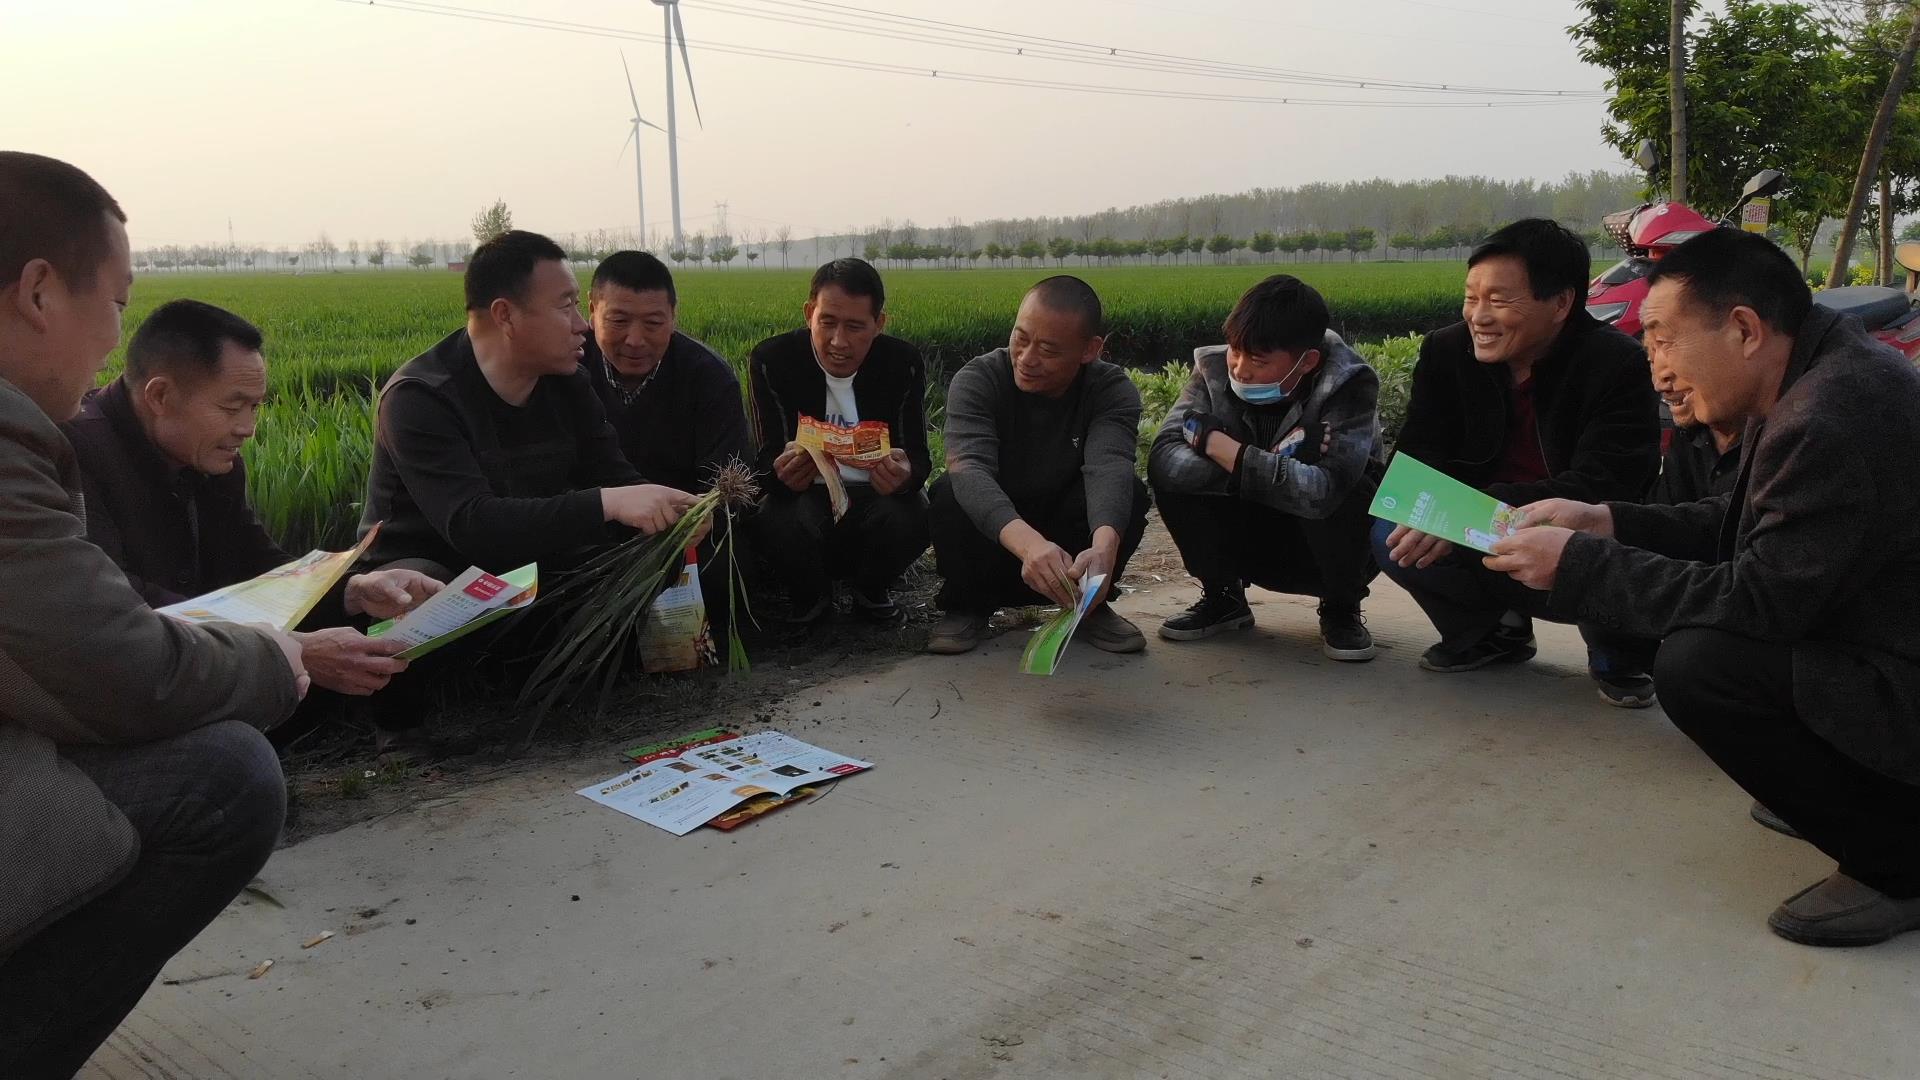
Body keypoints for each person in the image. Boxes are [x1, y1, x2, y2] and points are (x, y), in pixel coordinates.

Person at [1487, 229, 1920, 947]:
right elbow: (1745, 520)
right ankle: (1853, 784)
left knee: (1701, 666)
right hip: (1873, 629)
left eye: (1663, 340)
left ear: (1744, 329)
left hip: (1900, 667)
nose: (1656, 367)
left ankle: (1897, 861)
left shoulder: (1827, 416)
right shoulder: (1815, 370)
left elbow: (1759, 603)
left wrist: (1580, 564)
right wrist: (1606, 520)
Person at [0, 152, 305, 1077]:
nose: (113, 338)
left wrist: (342, 585)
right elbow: (115, 664)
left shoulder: (205, 458)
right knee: (225, 779)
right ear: (40, 293)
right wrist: (278, 663)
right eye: (116, 302)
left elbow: (248, 565)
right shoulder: (42, 447)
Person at [356, 230, 706, 731]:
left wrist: (672, 512)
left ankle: (560, 691)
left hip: (530, 559)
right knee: (409, 591)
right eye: (565, 306)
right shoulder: (421, 398)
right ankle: (403, 732)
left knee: (645, 551)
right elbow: (472, 524)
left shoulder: (568, 382)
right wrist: (609, 503)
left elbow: (616, 477)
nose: (582, 324)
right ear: (505, 316)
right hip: (441, 567)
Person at [67, 299, 441, 700]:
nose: (247, 428)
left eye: (255, 407)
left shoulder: (210, 457)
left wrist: (353, 590)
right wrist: (287, 648)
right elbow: (116, 604)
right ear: (160, 396)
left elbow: (254, 560)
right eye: (231, 407)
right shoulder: (72, 454)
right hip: (115, 675)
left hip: (207, 652)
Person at [1371, 218, 1660, 706]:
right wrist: (1445, 509)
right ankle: (1494, 631)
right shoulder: (1447, 351)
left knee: (1610, 536)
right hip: (1480, 528)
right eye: (1471, 298)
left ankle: (1617, 648)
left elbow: (1608, 484)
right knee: (1392, 528)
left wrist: (1474, 508)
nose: (1479, 317)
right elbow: (1419, 457)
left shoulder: (1616, 363)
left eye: (1500, 301)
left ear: (1561, 303)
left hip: (1568, 529)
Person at [1148, 274, 1383, 660]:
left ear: (1307, 361)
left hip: (1317, 546)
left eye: (1258, 360)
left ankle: (1341, 607)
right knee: (1176, 481)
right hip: (1247, 527)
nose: (1240, 369)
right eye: (1236, 352)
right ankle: (1224, 597)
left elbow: (1324, 491)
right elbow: (1163, 459)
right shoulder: (1213, 368)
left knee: (1354, 489)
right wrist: (1275, 460)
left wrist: (1217, 445)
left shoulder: (1348, 383)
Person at [926, 276, 1150, 655]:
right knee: (951, 491)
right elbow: (970, 469)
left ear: (1089, 349)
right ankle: (966, 606)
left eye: (1048, 349)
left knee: (1130, 492)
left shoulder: (1110, 390)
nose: (1027, 359)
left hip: (1065, 536)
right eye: (1021, 338)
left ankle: (1089, 602)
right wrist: (1031, 547)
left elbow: (1108, 465)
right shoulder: (979, 380)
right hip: (997, 534)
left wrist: (1104, 547)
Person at [746, 258, 930, 625]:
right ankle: (810, 599)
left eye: (855, 327)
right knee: (773, 517)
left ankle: (872, 593)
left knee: (917, 513)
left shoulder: (902, 362)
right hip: (806, 501)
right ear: (809, 314)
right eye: (827, 322)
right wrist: (781, 474)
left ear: (879, 323)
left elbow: (919, 457)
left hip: (874, 499)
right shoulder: (773, 360)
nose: (838, 342)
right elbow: (764, 462)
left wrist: (905, 475)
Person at [582, 251, 752, 630]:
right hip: (594, 521)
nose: (635, 340)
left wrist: (703, 515)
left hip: (679, 529)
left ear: (673, 316)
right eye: (618, 321)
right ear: (591, 310)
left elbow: (729, 479)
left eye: (653, 323)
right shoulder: (565, 368)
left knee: (722, 567)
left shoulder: (708, 377)